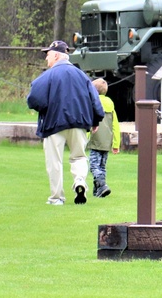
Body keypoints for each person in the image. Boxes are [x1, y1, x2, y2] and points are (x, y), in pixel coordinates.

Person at [26, 40, 104, 205]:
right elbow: (95, 99)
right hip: (79, 123)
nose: (47, 59)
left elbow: (33, 99)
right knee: (79, 157)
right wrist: (96, 119)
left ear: (56, 55)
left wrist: (45, 107)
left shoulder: (48, 75)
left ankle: (57, 198)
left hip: (54, 124)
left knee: (54, 161)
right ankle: (80, 181)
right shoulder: (82, 75)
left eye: (48, 55)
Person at [87, 77, 120, 198]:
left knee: (94, 166)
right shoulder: (111, 105)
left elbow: (89, 122)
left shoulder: (92, 104)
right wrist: (116, 144)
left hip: (95, 140)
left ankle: (102, 185)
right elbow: (115, 126)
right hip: (107, 142)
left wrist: (85, 137)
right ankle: (98, 191)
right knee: (102, 166)